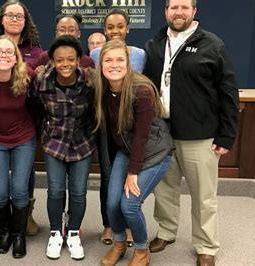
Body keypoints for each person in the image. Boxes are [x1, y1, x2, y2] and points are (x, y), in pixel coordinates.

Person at [142, 0, 239, 265]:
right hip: (163, 132)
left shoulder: (212, 44)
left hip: (200, 134)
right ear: (166, 11)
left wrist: (226, 134)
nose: (179, 12)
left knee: (204, 195)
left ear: (194, 12)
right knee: (164, 189)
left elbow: (228, 92)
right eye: (174, 7)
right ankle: (166, 231)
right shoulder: (155, 44)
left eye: (185, 7)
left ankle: (206, 245)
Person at [95, 39, 173, 266]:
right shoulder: (103, 88)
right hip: (126, 151)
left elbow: (141, 137)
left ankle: (141, 250)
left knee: (129, 205)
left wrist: (132, 173)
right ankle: (119, 244)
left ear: (129, 64)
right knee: (111, 204)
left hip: (154, 154)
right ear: (101, 65)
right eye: (108, 60)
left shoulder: (142, 89)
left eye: (120, 59)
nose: (114, 64)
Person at [0, 0, 42, 237]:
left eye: (20, 16)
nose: (15, 20)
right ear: (1, 19)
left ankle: (27, 214)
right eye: (10, 15)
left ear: (26, 22)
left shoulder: (35, 50)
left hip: (25, 125)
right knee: (1, 185)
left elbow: (40, 85)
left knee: (23, 180)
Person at [33, 35, 95, 261]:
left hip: (82, 143)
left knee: (78, 192)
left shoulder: (89, 82)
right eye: (60, 60)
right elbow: (36, 110)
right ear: (52, 61)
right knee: (56, 190)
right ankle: (56, 232)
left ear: (79, 60)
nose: (65, 64)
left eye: (71, 59)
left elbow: (95, 112)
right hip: (54, 143)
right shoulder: (42, 82)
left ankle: (73, 232)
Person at [90, 8, 145, 246]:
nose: (115, 31)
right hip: (106, 126)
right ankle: (109, 225)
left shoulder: (140, 55)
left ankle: (130, 228)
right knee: (108, 177)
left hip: (131, 127)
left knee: (129, 179)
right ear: (105, 29)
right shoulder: (95, 54)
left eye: (120, 26)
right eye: (110, 27)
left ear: (128, 28)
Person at [0, 35, 35, 259]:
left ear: (15, 58)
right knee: (0, 193)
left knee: (20, 190)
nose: (3, 55)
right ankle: (5, 232)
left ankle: (19, 235)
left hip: (24, 138)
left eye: (8, 52)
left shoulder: (26, 76)